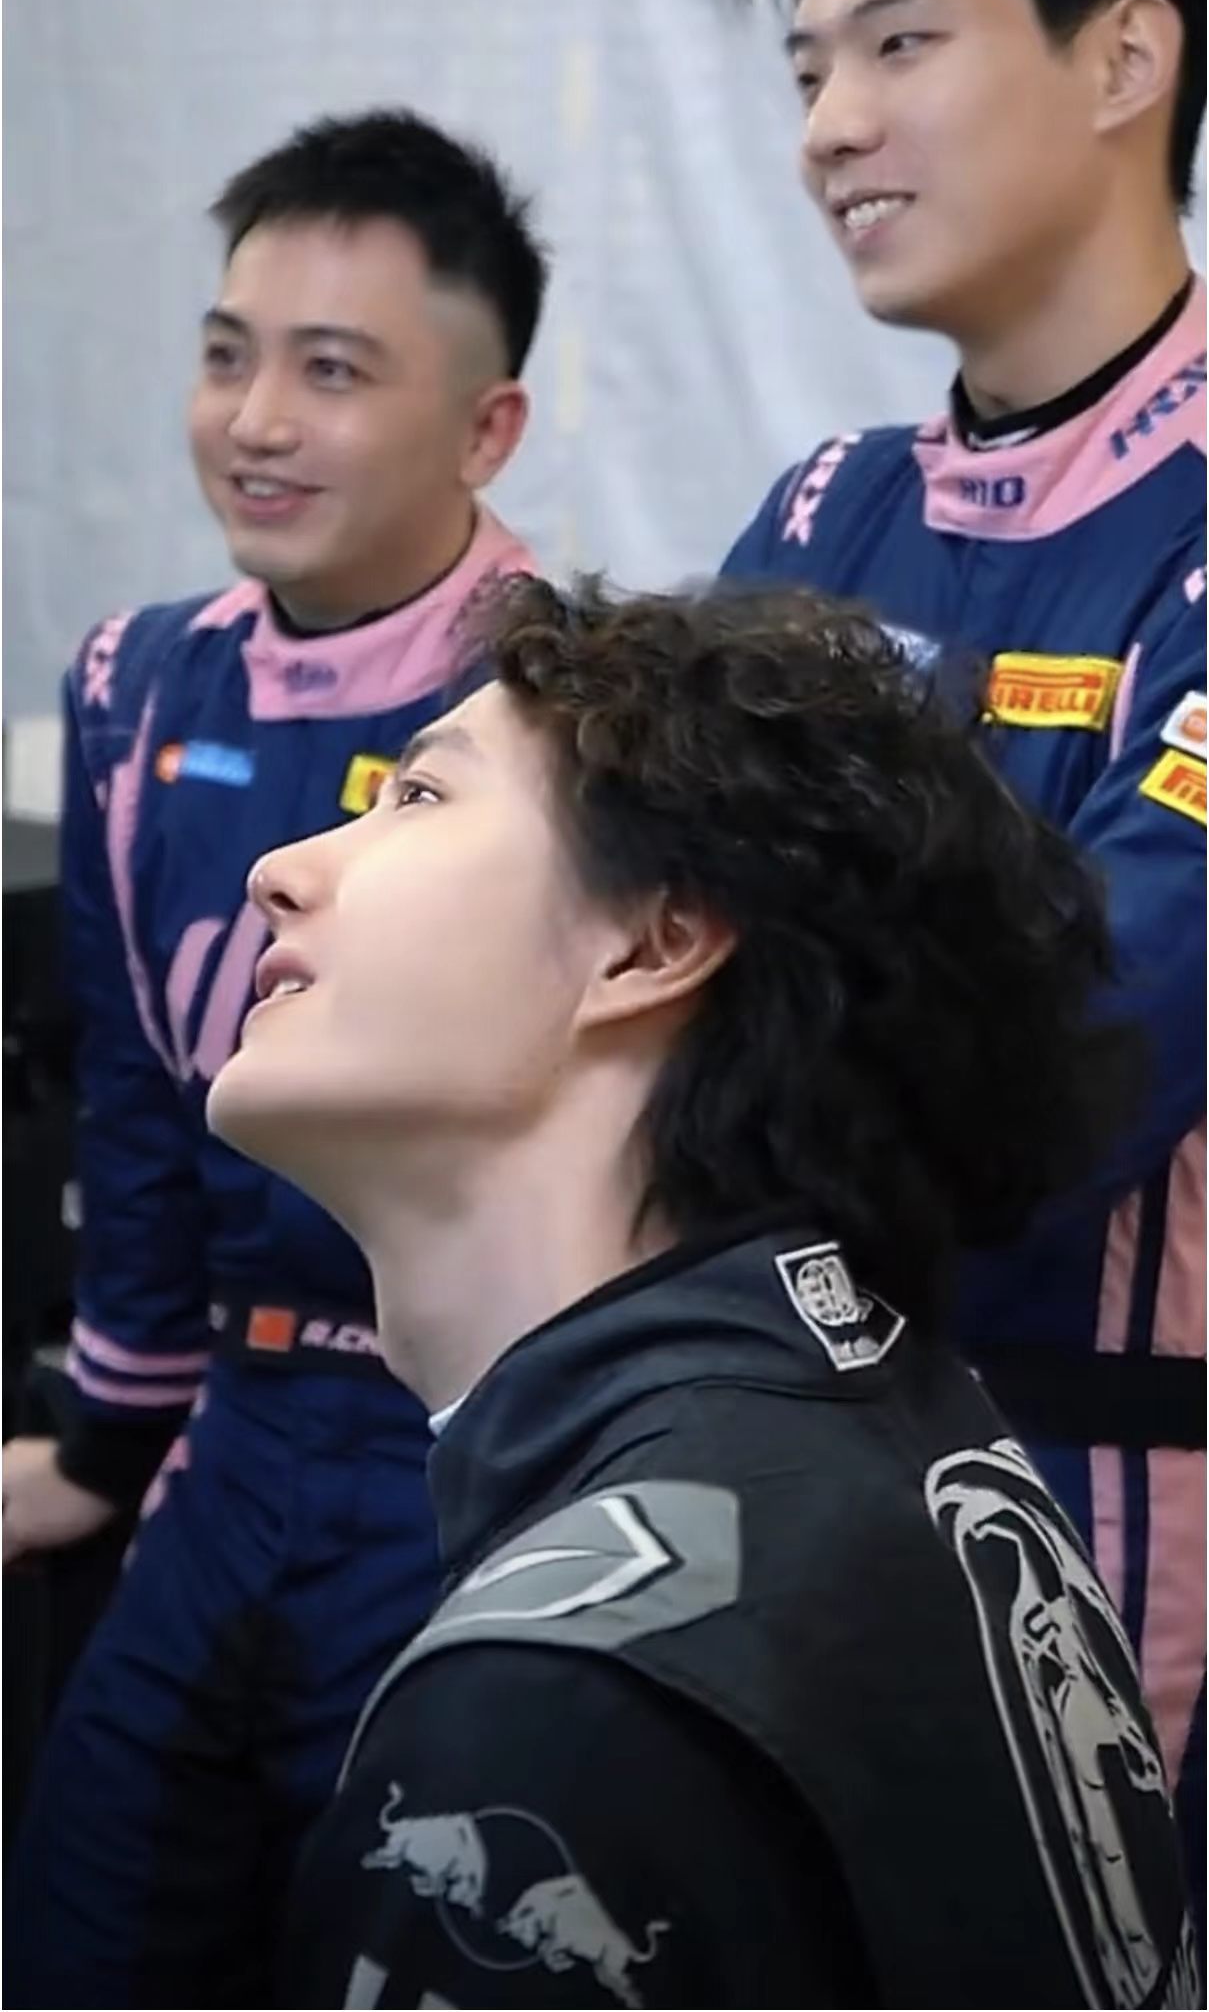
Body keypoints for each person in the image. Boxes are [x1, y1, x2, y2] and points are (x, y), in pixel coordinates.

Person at [204, 574, 1195, 2010]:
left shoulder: (550, 1709)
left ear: (652, 943)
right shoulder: (935, 1456)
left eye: (417, 797)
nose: (282, 869)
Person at [2, 108, 546, 2009]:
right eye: (228, 354)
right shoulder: (132, 680)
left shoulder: (571, 707)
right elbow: (136, 1107)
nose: (255, 420)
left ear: (487, 428)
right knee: (78, 1924)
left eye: (332, 371)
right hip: (230, 1437)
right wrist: (104, 1436)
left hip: (467, 1452)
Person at [719, 0, 1207, 1917]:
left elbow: (1076, 1055)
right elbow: (614, 935)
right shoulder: (822, 514)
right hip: (785, 1453)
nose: (830, 125)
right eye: (807, 68)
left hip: (1103, 1493)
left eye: (897, 44)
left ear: (1122, 59)